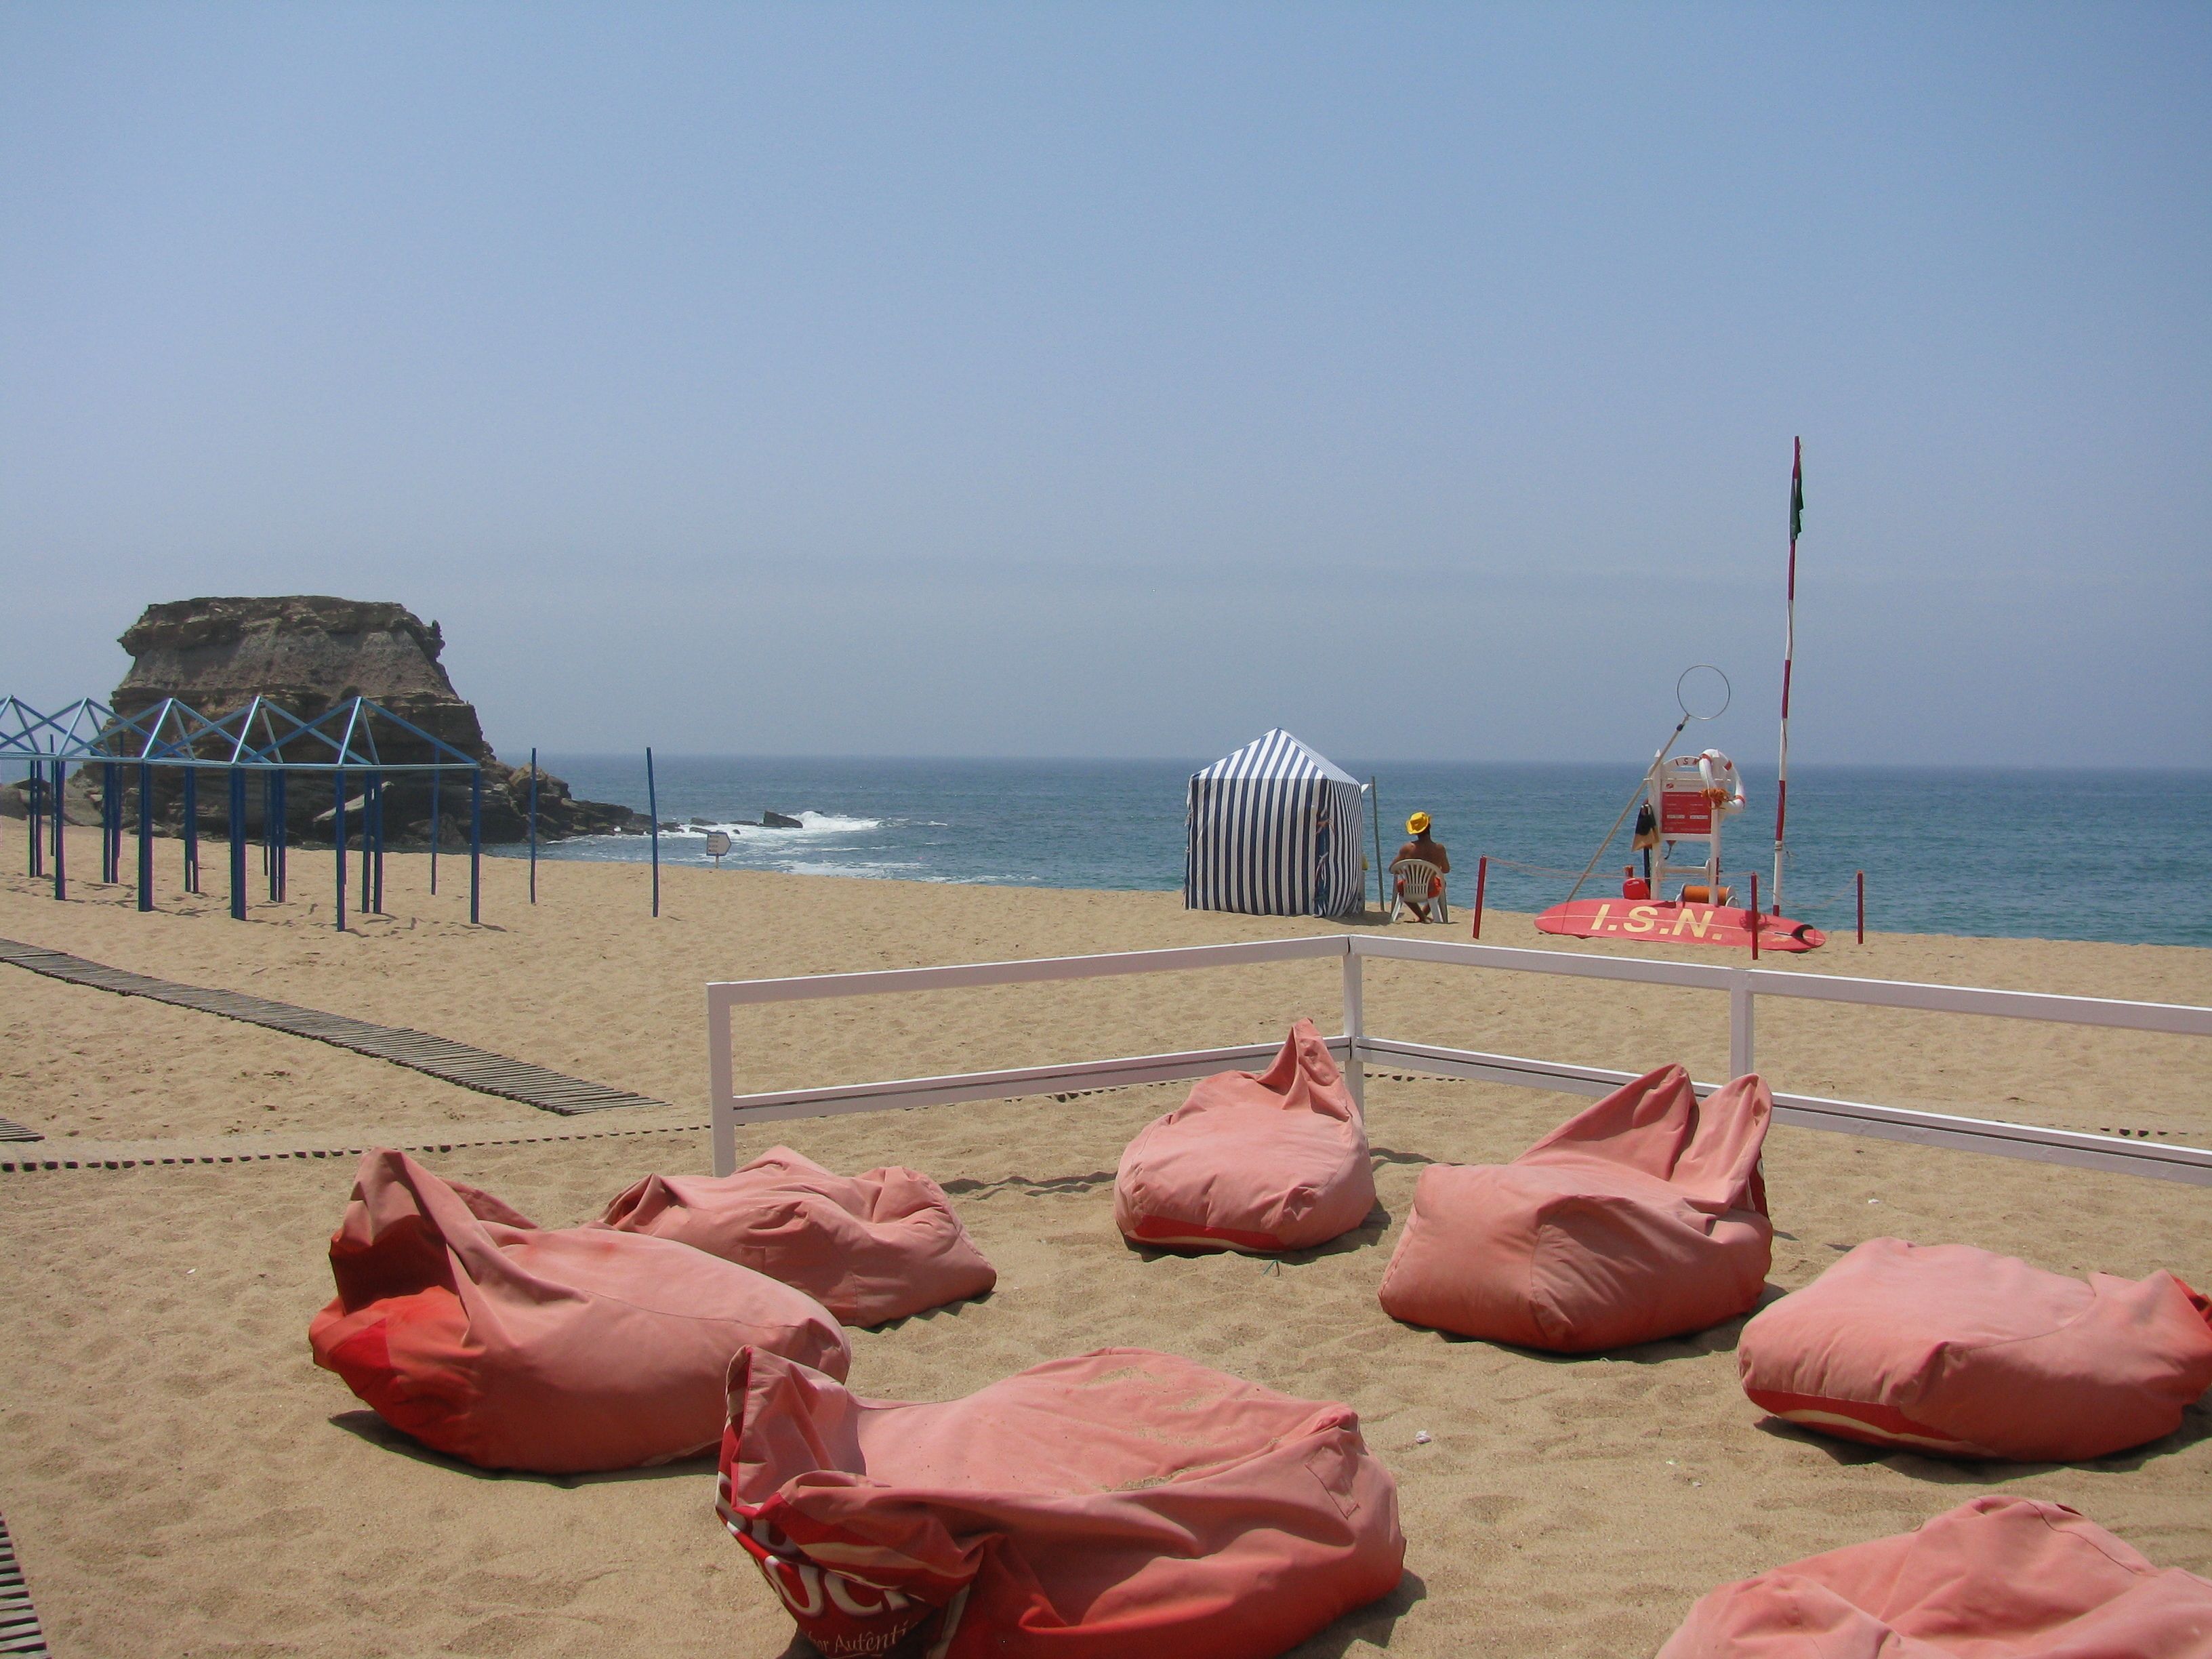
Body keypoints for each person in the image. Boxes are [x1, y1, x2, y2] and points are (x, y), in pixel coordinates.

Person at [1393, 811, 1450, 922]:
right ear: (1429, 826)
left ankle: (1422, 917)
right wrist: (1433, 870)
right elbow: (1446, 870)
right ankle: (1423, 916)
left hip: (1409, 890)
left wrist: (1406, 872)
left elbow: (1393, 868)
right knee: (1443, 883)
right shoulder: (1439, 849)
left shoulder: (1407, 848)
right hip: (1431, 890)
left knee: (1401, 887)